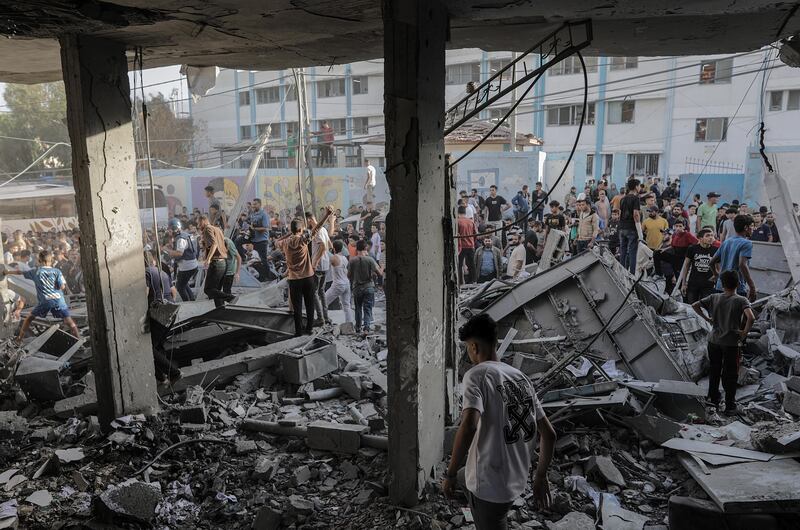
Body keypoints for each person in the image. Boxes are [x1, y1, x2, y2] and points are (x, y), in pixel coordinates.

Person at [442, 314, 555, 530]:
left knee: (490, 519)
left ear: (474, 346)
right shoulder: (521, 377)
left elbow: (469, 426)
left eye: (467, 348)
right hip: (516, 479)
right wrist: (540, 476)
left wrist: (448, 474)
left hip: (490, 488)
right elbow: (549, 435)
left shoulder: (476, 375)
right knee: (464, 476)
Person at [692, 270, 755, 414]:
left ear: (722, 283)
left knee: (714, 370)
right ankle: (730, 406)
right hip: (731, 343)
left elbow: (695, 305)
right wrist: (744, 333)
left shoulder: (714, 297)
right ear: (738, 284)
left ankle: (713, 400)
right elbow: (751, 318)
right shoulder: (741, 300)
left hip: (713, 341)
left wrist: (707, 319)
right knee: (730, 374)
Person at [275, 207, 334, 336]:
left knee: (297, 307)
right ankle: (309, 329)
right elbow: (317, 228)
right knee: (309, 305)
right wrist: (326, 215)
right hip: (307, 277)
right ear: (301, 230)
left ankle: (298, 332)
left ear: (291, 230)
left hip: (294, 279)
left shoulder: (285, 243)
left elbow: (276, 241)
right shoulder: (303, 240)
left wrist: (290, 233)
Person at [4, 250, 80, 342]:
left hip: (45, 301)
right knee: (69, 322)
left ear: (39, 261)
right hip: (58, 300)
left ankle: (19, 339)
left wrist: (7, 272)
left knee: (28, 319)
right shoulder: (57, 271)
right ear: (51, 260)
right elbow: (62, 286)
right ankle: (79, 340)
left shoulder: (36, 272)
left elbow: (20, 272)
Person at [710, 214, 756, 302]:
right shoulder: (747, 243)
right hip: (736, 289)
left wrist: (716, 275)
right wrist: (752, 287)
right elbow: (742, 265)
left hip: (720, 287)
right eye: (752, 226)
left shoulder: (726, 242)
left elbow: (711, 262)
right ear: (746, 227)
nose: (753, 229)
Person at [198, 216, 236, 308]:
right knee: (216, 290)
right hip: (223, 262)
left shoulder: (208, 229)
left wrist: (208, 259)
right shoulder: (217, 229)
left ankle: (230, 298)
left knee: (208, 289)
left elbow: (214, 244)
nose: (198, 226)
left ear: (203, 221)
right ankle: (221, 309)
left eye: (199, 223)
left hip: (216, 263)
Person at [349, 239, 382, 334]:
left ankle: (358, 328)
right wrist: (382, 267)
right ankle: (366, 328)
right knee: (367, 308)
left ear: (357, 248)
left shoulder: (352, 261)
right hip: (368, 287)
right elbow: (379, 273)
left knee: (358, 308)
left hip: (357, 288)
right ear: (365, 248)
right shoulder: (370, 260)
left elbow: (348, 275)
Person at [306, 211, 333, 326]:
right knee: (321, 291)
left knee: (314, 292)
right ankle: (326, 317)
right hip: (325, 264)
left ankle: (321, 318)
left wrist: (315, 261)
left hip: (319, 265)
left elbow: (323, 246)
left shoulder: (317, 231)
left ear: (309, 220)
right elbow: (330, 245)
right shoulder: (324, 230)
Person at [680, 228, 717, 303]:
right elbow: (686, 266)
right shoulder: (692, 249)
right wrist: (683, 284)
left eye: (712, 235)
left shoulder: (716, 250)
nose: (710, 238)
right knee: (691, 306)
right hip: (693, 283)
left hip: (708, 285)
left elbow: (719, 267)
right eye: (707, 236)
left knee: (706, 307)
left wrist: (716, 276)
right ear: (700, 238)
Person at [167, 219, 199, 302]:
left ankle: (187, 302)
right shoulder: (183, 235)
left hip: (187, 266)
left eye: (170, 229)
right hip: (190, 265)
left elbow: (179, 253)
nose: (169, 231)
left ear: (175, 228)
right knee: (184, 283)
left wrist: (168, 251)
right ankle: (191, 299)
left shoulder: (181, 238)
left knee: (180, 287)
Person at [325, 240, 353, 324]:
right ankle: (349, 324)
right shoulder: (344, 258)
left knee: (323, 303)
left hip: (338, 284)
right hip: (346, 283)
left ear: (333, 248)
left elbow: (326, 266)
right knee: (346, 306)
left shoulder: (334, 258)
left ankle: (324, 321)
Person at [618, 179, 641, 274]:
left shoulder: (622, 198)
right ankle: (631, 275)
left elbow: (620, 213)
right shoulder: (635, 199)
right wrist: (639, 229)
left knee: (623, 252)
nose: (640, 188)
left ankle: (621, 273)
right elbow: (636, 214)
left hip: (622, 227)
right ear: (636, 186)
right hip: (631, 228)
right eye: (639, 186)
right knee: (632, 252)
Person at [457, 206, 477, 284]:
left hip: (461, 247)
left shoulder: (458, 221)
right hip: (471, 246)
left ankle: (460, 282)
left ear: (458, 213)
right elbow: (475, 234)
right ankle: (474, 281)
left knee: (459, 265)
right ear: (465, 212)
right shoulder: (471, 221)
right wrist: (472, 242)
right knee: (472, 264)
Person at [249, 199, 271, 265]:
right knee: (238, 241)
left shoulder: (264, 214)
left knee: (263, 261)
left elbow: (265, 228)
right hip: (254, 240)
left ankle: (267, 275)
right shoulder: (253, 214)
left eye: (255, 204)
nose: (253, 206)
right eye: (253, 204)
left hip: (262, 241)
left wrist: (254, 228)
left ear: (260, 204)